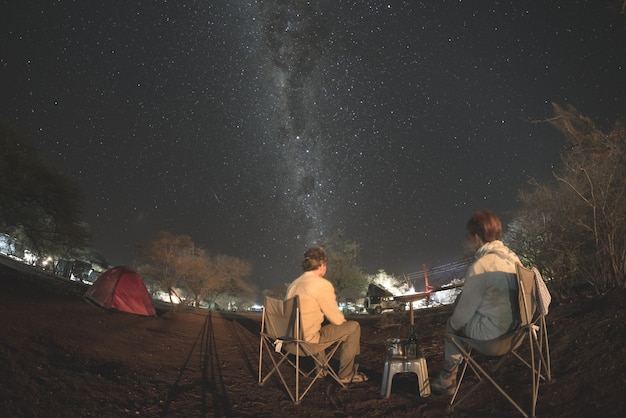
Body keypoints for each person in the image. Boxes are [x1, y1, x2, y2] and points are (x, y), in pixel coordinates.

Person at [430, 210, 521, 395]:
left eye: (470, 236)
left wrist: (453, 322)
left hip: (494, 339)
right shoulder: (514, 260)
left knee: (454, 323)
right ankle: (450, 375)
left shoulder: (481, 266)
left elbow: (462, 317)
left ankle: (447, 379)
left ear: (477, 237)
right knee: (462, 312)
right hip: (519, 333)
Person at [285, 246, 368, 384]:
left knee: (315, 328)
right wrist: (343, 323)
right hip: (307, 344)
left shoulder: (293, 285)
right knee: (353, 327)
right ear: (322, 264)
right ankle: (346, 374)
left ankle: (321, 370)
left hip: (289, 342)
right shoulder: (321, 284)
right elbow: (336, 319)